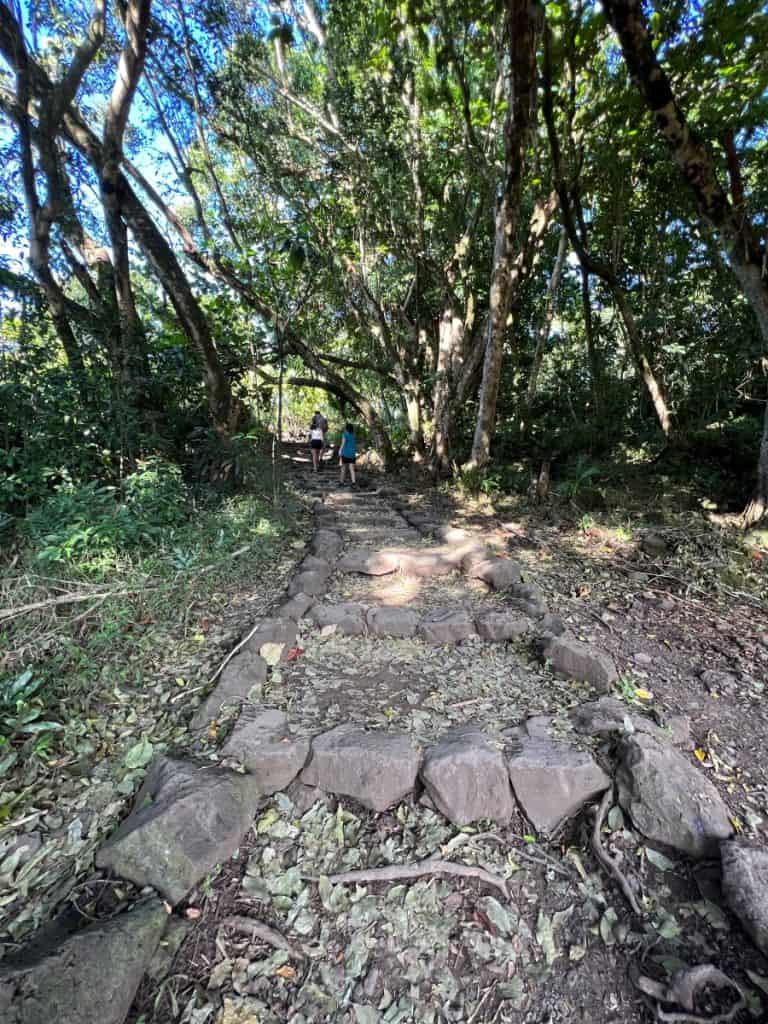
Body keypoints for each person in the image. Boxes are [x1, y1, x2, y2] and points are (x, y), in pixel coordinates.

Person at [339, 422, 357, 486]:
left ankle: (341, 482)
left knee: (343, 468)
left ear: (346, 428)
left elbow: (343, 443)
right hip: (352, 454)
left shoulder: (344, 434)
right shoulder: (353, 435)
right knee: (352, 469)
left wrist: (340, 450)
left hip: (345, 453)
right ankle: (353, 482)